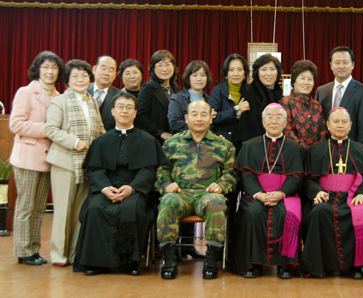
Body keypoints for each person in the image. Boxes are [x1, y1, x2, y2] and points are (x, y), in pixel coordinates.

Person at [74, 92, 167, 276]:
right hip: (106, 187)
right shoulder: (101, 142)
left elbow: (149, 170)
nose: (124, 111)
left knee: (131, 209)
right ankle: (94, 262)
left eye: (129, 108)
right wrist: (105, 188)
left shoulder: (148, 140)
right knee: (94, 208)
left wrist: (132, 188)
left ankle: (130, 262)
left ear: (135, 113)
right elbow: (94, 169)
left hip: (136, 189)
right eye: (121, 107)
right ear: (113, 111)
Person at [156, 100, 237, 280]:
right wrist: (167, 185)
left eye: (203, 114)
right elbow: (161, 172)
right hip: (180, 194)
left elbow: (232, 173)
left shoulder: (224, 146)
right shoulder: (171, 144)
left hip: (207, 194)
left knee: (216, 202)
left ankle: (211, 259)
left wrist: (221, 185)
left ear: (211, 118)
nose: (199, 118)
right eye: (194, 114)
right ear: (186, 118)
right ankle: (169, 259)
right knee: (168, 201)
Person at [301, 107, 363, 279]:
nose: (340, 125)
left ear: (350, 125)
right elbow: (308, 179)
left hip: (354, 197)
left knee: (361, 212)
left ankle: (356, 266)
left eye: (344, 122)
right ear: (328, 125)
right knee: (320, 211)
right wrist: (316, 192)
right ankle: (320, 266)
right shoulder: (315, 150)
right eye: (336, 121)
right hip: (326, 196)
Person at [232, 103, 306, 279]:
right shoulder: (250, 145)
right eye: (269, 117)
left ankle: (284, 265)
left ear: (285, 122)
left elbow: (297, 176)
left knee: (286, 214)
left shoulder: (295, 147)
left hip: (285, 195)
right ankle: (253, 264)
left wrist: (281, 193)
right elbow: (246, 173)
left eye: (278, 117)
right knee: (253, 212)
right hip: (256, 194)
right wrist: (259, 194)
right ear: (263, 122)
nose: (274, 121)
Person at [45, 59, 106, 266]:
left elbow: (99, 129)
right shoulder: (59, 101)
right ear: (67, 80)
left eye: (84, 76)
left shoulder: (92, 101)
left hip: (87, 164)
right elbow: (51, 130)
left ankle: (73, 254)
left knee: (79, 211)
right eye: (75, 76)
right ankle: (58, 255)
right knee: (63, 209)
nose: (80, 80)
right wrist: (75, 142)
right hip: (65, 162)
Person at [10, 51, 64, 265]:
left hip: (47, 159)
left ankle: (33, 249)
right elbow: (16, 124)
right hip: (27, 157)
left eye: (54, 68)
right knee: (25, 206)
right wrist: (48, 129)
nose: (50, 72)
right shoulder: (26, 92)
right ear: (38, 70)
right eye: (46, 67)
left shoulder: (58, 97)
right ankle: (23, 251)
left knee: (39, 206)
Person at [315, 46, 363, 145]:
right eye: (337, 62)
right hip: (325, 149)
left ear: (353, 65)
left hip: (351, 150)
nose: (341, 66)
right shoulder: (321, 91)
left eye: (345, 62)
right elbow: (317, 124)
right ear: (331, 65)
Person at [232, 54, 283, 152]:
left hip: (278, 148)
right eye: (264, 69)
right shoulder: (249, 94)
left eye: (272, 69)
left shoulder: (281, 95)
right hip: (255, 149)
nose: (268, 74)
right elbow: (244, 131)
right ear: (257, 72)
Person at [279, 60, 327, 149]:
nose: (306, 82)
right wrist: (306, 149)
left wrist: (317, 149)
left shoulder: (317, 105)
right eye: (302, 78)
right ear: (294, 80)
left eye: (310, 79)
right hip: (294, 154)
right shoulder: (285, 102)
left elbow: (323, 132)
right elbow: (286, 131)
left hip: (316, 155)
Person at [135, 50, 179, 144]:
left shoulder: (176, 90)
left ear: (173, 67)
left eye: (167, 64)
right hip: (154, 140)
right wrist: (160, 132)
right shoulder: (148, 88)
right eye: (160, 65)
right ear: (153, 69)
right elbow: (140, 117)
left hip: (175, 140)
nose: (164, 69)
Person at [208, 54, 250, 141]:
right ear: (226, 72)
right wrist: (236, 110)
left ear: (245, 72)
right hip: (221, 141)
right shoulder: (218, 91)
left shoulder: (249, 92)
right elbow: (212, 118)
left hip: (243, 143)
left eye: (240, 69)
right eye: (231, 70)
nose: (236, 74)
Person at [168, 60, 212, 134]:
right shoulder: (177, 98)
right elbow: (174, 123)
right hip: (183, 141)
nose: (199, 79)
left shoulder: (210, 100)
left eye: (202, 75)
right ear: (188, 78)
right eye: (194, 75)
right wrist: (198, 126)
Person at [88, 56, 120, 131]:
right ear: (94, 69)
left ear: (115, 75)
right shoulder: (82, 90)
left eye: (111, 70)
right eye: (103, 68)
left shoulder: (120, 97)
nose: (106, 73)